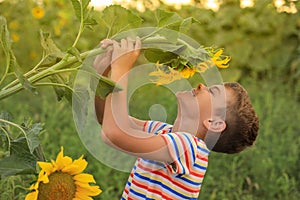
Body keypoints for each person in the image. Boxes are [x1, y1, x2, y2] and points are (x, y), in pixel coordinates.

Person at [93, 37, 259, 199]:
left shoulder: (189, 148)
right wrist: (104, 75)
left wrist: (121, 70)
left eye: (212, 92)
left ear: (215, 123)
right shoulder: (163, 131)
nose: (202, 85)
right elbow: (106, 119)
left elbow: (113, 134)